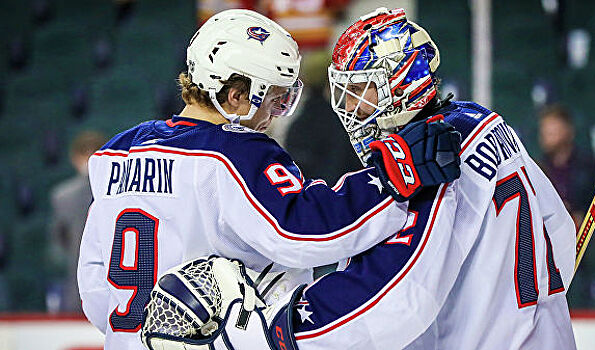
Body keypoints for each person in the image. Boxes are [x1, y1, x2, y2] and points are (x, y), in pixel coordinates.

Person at [141, 7, 577, 350]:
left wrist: (266, 334)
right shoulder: (483, 122)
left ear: (403, 81)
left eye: (361, 87)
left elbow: (391, 301)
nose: (349, 106)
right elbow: (560, 236)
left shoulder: (432, 158)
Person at [77, 9, 460, 350]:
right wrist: (394, 174)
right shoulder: (234, 151)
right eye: (274, 100)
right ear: (235, 95)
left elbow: (96, 292)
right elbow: (301, 229)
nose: (275, 115)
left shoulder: (117, 153)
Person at [48, 130, 107, 312]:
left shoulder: (62, 195)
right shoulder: (62, 196)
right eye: (85, 152)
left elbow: (59, 241)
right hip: (94, 287)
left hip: (88, 284)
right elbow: (59, 241)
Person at [538, 104, 595, 229]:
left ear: (568, 131)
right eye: (544, 132)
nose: (546, 137)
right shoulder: (539, 168)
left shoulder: (587, 167)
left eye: (552, 132)